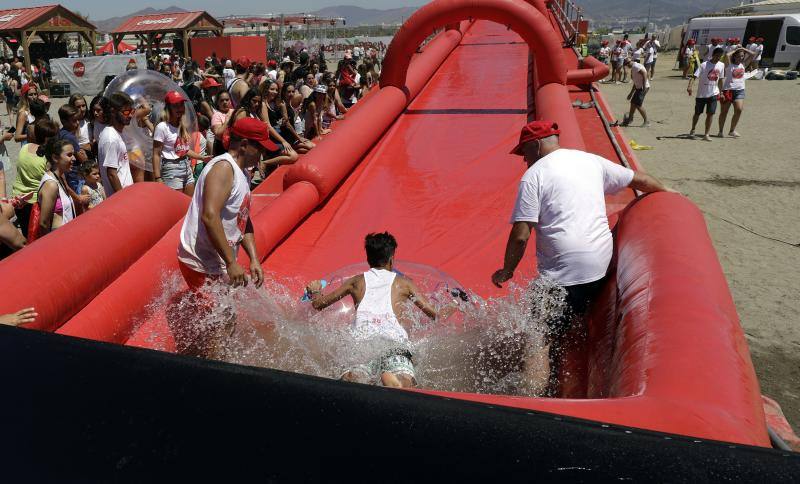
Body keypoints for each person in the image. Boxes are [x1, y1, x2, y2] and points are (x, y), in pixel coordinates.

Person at [492, 120, 670, 396]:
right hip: (599, 268)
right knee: (559, 318)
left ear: (536, 146)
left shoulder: (534, 175)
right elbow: (642, 181)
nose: (523, 160)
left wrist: (506, 270)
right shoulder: (590, 161)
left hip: (566, 274)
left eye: (524, 153)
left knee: (536, 336)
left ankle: (530, 398)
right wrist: (673, 198)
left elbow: (521, 234)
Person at [174, 118, 267, 355]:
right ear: (244, 145)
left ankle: (219, 362)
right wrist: (231, 262)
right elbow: (209, 216)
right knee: (216, 327)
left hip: (217, 260)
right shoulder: (223, 168)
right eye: (261, 147)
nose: (264, 153)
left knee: (227, 318)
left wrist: (253, 258)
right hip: (200, 260)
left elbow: (243, 219)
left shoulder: (243, 173)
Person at [305, 232, 441, 388]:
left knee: (354, 378)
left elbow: (319, 304)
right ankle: (397, 380)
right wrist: (453, 305)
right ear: (391, 259)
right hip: (394, 344)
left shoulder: (356, 282)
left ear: (368, 259)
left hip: (362, 344)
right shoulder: (404, 283)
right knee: (405, 380)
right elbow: (434, 314)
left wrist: (314, 291)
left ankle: (356, 376)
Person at [153, 91, 210, 195]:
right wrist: (158, 177)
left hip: (186, 167)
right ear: (169, 108)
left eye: (181, 105)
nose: (180, 108)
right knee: (176, 205)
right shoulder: (162, 127)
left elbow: (184, 150)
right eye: (176, 105)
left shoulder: (182, 126)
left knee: (188, 203)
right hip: (171, 169)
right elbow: (156, 154)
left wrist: (202, 158)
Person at [11, 119, 59, 238]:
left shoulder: (25, 148)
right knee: (38, 237)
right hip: (35, 203)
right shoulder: (46, 159)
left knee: (27, 235)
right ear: (48, 138)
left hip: (18, 199)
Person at [36, 139, 77, 238]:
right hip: (58, 240)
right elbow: (43, 223)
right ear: (55, 158)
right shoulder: (51, 185)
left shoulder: (60, 177)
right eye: (69, 155)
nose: (74, 158)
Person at [98, 92, 135, 196]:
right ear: (113, 112)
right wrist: (122, 198)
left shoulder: (117, 133)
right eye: (126, 112)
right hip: (121, 199)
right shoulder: (111, 138)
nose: (131, 115)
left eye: (132, 111)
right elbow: (111, 174)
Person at [717, 47, 757, 138]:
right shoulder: (728, 65)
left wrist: (743, 49)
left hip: (740, 90)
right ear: (734, 57)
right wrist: (736, 50)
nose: (741, 58)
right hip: (728, 90)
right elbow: (727, 55)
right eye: (739, 56)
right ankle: (720, 131)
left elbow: (753, 55)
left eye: (742, 56)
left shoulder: (743, 64)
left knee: (739, 110)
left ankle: (732, 130)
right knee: (724, 112)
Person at [687, 47, 725, 141]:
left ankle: (706, 134)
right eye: (717, 56)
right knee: (697, 113)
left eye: (720, 57)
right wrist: (690, 86)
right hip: (701, 94)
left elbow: (720, 79)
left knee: (710, 114)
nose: (718, 58)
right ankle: (693, 129)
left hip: (713, 94)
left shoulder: (721, 65)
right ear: (713, 55)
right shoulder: (704, 65)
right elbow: (694, 76)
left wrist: (721, 92)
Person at [58, 104, 89, 193]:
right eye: (74, 120)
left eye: (78, 120)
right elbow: (83, 159)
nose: (78, 123)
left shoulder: (61, 133)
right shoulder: (70, 137)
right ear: (64, 121)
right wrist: (83, 154)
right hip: (74, 176)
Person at [621, 57, 650, 127]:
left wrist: (643, 86)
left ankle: (647, 121)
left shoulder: (636, 66)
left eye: (627, 64)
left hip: (643, 88)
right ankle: (630, 119)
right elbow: (636, 82)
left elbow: (645, 74)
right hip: (638, 88)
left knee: (638, 105)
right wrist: (631, 93)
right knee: (633, 103)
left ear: (630, 62)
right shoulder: (633, 69)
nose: (627, 66)